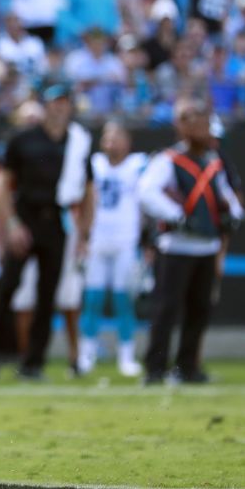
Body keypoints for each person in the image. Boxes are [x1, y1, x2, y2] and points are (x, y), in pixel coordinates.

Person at [0, 83, 94, 383]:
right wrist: (12, 224)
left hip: (57, 222)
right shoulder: (22, 139)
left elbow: (89, 190)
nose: (60, 107)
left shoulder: (78, 143)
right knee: (8, 288)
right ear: (45, 105)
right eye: (55, 101)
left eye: (65, 101)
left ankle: (34, 363)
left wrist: (83, 233)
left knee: (48, 296)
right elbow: (3, 184)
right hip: (26, 217)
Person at [138, 97, 245, 384]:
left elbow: (228, 197)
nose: (203, 128)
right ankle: (155, 368)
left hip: (206, 247)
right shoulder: (168, 160)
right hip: (175, 246)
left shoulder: (213, 163)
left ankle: (187, 367)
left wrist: (233, 215)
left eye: (205, 122)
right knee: (165, 310)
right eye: (195, 122)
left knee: (199, 309)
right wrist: (175, 214)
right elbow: (147, 192)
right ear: (182, 127)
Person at [78, 121, 149, 377]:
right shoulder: (94, 164)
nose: (111, 143)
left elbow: (147, 202)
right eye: (107, 137)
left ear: (128, 141)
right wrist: (82, 237)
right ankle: (86, 356)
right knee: (93, 300)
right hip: (97, 240)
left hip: (126, 241)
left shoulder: (138, 165)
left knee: (123, 300)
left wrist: (147, 240)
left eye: (117, 137)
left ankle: (126, 357)